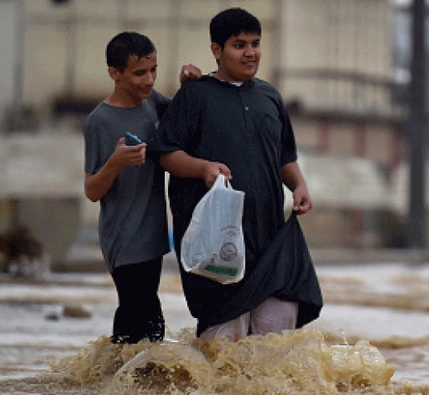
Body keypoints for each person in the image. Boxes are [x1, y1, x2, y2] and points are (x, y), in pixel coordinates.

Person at [155, 7, 323, 341]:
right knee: (221, 350)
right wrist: (203, 168)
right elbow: (166, 154)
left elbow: (284, 156)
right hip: (217, 242)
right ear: (216, 50)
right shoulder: (195, 95)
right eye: (239, 44)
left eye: (255, 43)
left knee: (276, 347)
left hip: (270, 239)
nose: (250, 53)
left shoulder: (270, 97)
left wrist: (299, 185)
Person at [83, 31, 201, 344]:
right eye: (139, 73)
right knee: (143, 315)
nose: (149, 80)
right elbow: (92, 191)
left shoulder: (152, 103)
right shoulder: (100, 121)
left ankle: (115, 383)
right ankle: (117, 381)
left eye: (153, 71)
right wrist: (116, 162)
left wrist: (187, 85)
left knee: (146, 319)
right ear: (114, 74)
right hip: (122, 236)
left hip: (152, 234)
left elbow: (182, 116)